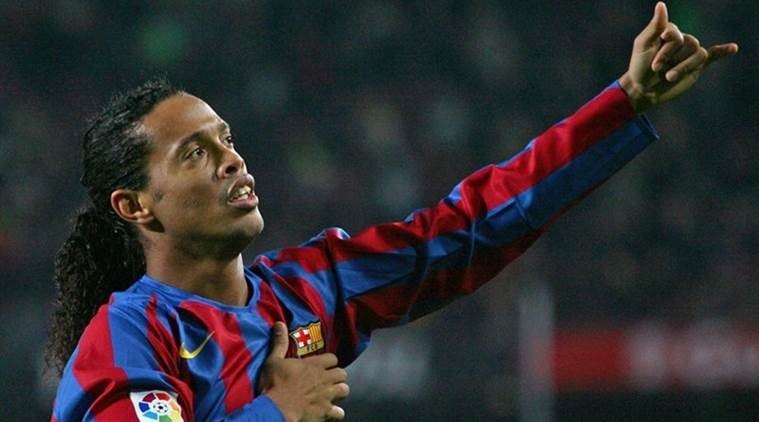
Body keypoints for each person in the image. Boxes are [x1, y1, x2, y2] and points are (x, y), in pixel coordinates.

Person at [47, 3, 737, 421]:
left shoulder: (309, 289)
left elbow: (468, 228)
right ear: (134, 205)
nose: (231, 160)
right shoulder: (129, 337)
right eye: (194, 154)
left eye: (226, 140)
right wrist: (278, 411)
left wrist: (621, 103)